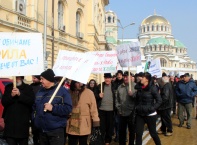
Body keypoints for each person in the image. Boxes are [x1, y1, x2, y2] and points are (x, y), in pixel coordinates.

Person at [32, 69, 72, 145]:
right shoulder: (40, 91)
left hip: (55, 132)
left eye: (42, 79)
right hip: (41, 131)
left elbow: (68, 109)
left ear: (49, 79)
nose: (41, 81)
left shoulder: (62, 91)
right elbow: (34, 107)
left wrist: (53, 108)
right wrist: (35, 119)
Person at [2, 76, 35, 145]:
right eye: (14, 78)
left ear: (21, 78)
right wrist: (11, 95)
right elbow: (4, 102)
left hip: (22, 124)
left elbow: (31, 101)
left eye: (17, 78)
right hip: (10, 124)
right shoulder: (8, 87)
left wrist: (20, 95)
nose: (15, 79)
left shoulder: (28, 88)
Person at [67, 80, 100, 145]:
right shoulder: (69, 92)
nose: (79, 84)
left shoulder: (89, 93)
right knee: (72, 142)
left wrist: (96, 122)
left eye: (81, 82)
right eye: (77, 82)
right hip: (72, 123)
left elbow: (93, 108)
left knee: (83, 142)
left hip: (84, 123)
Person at [135, 72, 162, 145]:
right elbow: (138, 100)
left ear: (147, 79)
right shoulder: (139, 88)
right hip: (140, 114)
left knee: (153, 133)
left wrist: (151, 109)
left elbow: (159, 101)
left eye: (142, 77)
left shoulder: (152, 88)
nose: (141, 78)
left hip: (150, 114)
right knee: (138, 133)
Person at [116, 71, 136, 145]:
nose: (125, 78)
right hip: (122, 113)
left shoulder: (135, 86)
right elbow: (117, 100)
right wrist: (119, 109)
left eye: (127, 76)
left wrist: (133, 95)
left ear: (131, 77)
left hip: (132, 113)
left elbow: (138, 99)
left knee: (132, 131)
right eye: (124, 77)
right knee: (122, 131)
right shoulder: (120, 87)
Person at [97, 73, 116, 145]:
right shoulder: (100, 86)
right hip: (101, 110)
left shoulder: (114, 86)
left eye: (108, 78)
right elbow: (95, 96)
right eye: (106, 78)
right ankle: (101, 140)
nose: (107, 79)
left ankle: (107, 140)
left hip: (111, 110)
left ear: (111, 79)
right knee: (102, 127)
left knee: (109, 127)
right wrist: (99, 96)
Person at [30, 75, 42, 145]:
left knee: (40, 133)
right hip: (33, 112)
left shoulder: (42, 87)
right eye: (32, 78)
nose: (33, 80)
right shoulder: (31, 86)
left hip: (40, 111)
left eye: (34, 78)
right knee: (35, 132)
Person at [113, 70, 124, 142]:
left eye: (120, 74)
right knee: (116, 122)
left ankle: (123, 136)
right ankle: (117, 136)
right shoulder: (114, 83)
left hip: (123, 105)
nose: (119, 76)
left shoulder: (124, 83)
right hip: (115, 106)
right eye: (118, 74)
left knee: (123, 123)